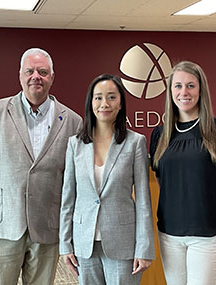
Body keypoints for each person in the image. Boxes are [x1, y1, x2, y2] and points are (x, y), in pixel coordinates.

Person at [0, 48, 82, 285]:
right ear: (20, 75)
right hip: (4, 226)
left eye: (42, 72)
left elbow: (74, 182)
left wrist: (72, 230)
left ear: (52, 77)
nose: (36, 76)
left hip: (47, 227)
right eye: (30, 71)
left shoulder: (72, 121)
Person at [150, 61, 216, 285]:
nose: (184, 92)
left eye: (191, 86)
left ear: (201, 90)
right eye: (178, 86)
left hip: (209, 235)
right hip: (170, 234)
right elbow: (163, 181)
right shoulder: (160, 135)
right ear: (170, 90)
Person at [59, 74, 155, 284]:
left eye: (111, 97)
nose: (104, 104)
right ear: (90, 102)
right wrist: (65, 244)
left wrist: (144, 247)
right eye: (98, 97)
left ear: (120, 104)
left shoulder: (135, 142)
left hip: (123, 243)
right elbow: (68, 199)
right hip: (84, 244)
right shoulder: (75, 144)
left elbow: (143, 200)